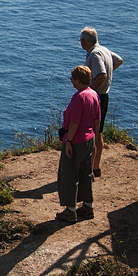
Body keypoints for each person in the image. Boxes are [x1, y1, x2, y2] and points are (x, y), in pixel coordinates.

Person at [56, 65, 101, 224]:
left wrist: (69, 141)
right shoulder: (94, 94)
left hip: (76, 140)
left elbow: (74, 123)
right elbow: (97, 120)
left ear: (78, 79)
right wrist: (95, 139)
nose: (71, 81)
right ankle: (88, 207)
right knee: (85, 173)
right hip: (89, 138)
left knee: (69, 175)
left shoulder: (79, 97)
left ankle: (70, 211)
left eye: (72, 79)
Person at [79, 27, 123, 177]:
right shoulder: (104, 50)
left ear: (83, 41)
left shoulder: (95, 54)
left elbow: (102, 75)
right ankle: (96, 167)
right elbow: (119, 60)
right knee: (98, 132)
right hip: (104, 96)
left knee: (91, 132)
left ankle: (89, 168)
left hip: (96, 97)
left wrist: (89, 91)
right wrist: (109, 74)